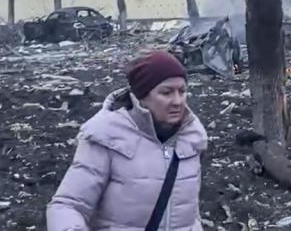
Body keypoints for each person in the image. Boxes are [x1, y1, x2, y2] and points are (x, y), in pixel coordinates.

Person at [47, 51, 207, 231]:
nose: (178, 101)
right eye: (167, 92)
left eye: (182, 91)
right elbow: (67, 206)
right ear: (142, 96)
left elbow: (190, 214)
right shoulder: (107, 136)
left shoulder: (191, 138)